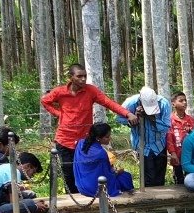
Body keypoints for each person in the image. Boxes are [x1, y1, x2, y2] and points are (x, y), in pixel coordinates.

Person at [41, 63, 137, 194]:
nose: (83, 79)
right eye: (79, 76)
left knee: (88, 168)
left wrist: (127, 113)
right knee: (68, 172)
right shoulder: (59, 92)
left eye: (85, 76)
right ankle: (74, 199)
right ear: (71, 77)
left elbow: (108, 102)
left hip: (84, 140)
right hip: (64, 140)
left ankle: (88, 195)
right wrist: (59, 114)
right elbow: (45, 101)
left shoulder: (91, 91)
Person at [119, 86, 171, 187]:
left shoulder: (164, 103)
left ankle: (160, 199)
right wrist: (133, 118)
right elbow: (119, 119)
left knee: (160, 177)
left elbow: (166, 127)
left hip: (159, 143)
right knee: (148, 178)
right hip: (142, 144)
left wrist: (150, 117)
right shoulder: (131, 103)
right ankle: (148, 199)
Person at [73, 122, 135, 197]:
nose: (110, 138)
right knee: (126, 176)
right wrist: (118, 172)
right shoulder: (101, 153)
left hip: (81, 186)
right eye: (107, 137)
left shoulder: (80, 143)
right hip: (95, 189)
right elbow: (107, 175)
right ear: (98, 138)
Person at [167, 91, 194, 185]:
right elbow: (169, 138)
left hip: (190, 155)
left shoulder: (191, 120)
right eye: (181, 100)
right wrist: (173, 153)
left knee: (190, 177)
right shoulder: (170, 120)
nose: (184, 103)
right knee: (179, 179)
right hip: (177, 154)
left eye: (185, 100)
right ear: (173, 104)